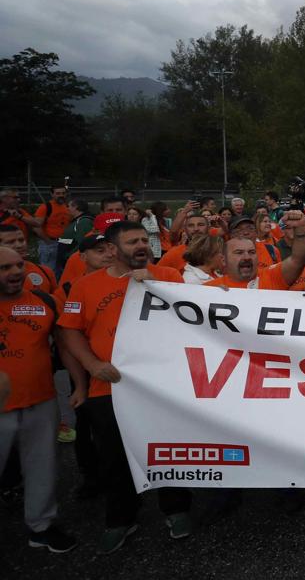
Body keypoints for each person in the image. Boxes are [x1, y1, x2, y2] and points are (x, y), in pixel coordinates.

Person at [58, 220, 191, 553]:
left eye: (144, 240)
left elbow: (197, 317)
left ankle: (176, 510)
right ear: (112, 249)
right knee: (114, 456)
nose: (142, 246)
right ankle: (120, 518)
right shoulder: (85, 286)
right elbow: (69, 330)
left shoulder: (170, 278)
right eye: (133, 242)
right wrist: (91, 366)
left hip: (163, 387)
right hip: (109, 387)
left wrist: (158, 287)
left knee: (167, 450)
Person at [0, 247, 86, 552]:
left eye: (19, 265)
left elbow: (64, 346)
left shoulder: (43, 301)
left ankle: (42, 526)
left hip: (41, 399)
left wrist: (78, 385)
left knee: (42, 467)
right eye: (5, 268)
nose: (15, 272)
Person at [0, 225, 57, 293]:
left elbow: (56, 300)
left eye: (21, 240)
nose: (19, 245)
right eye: (11, 242)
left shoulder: (45, 271)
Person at [31, 184, 71, 270]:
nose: (61, 195)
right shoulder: (45, 207)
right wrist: (47, 241)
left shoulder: (67, 207)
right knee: (49, 270)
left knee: (61, 270)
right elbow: (36, 226)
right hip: (50, 244)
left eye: (63, 193)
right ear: (52, 194)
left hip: (64, 243)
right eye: (58, 193)